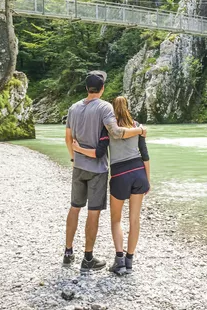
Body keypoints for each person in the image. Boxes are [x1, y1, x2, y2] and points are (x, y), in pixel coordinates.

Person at [64, 71, 146, 273]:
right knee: (93, 212)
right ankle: (88, 258)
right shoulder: (104, 107)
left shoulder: (73, 108)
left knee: (74, 208)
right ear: (102, 89)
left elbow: (68, 138)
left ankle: (67, 253)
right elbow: (116, 133)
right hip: (97, 169)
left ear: (86, 88)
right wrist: (140, 130)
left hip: (78, 167)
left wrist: (74, 158)